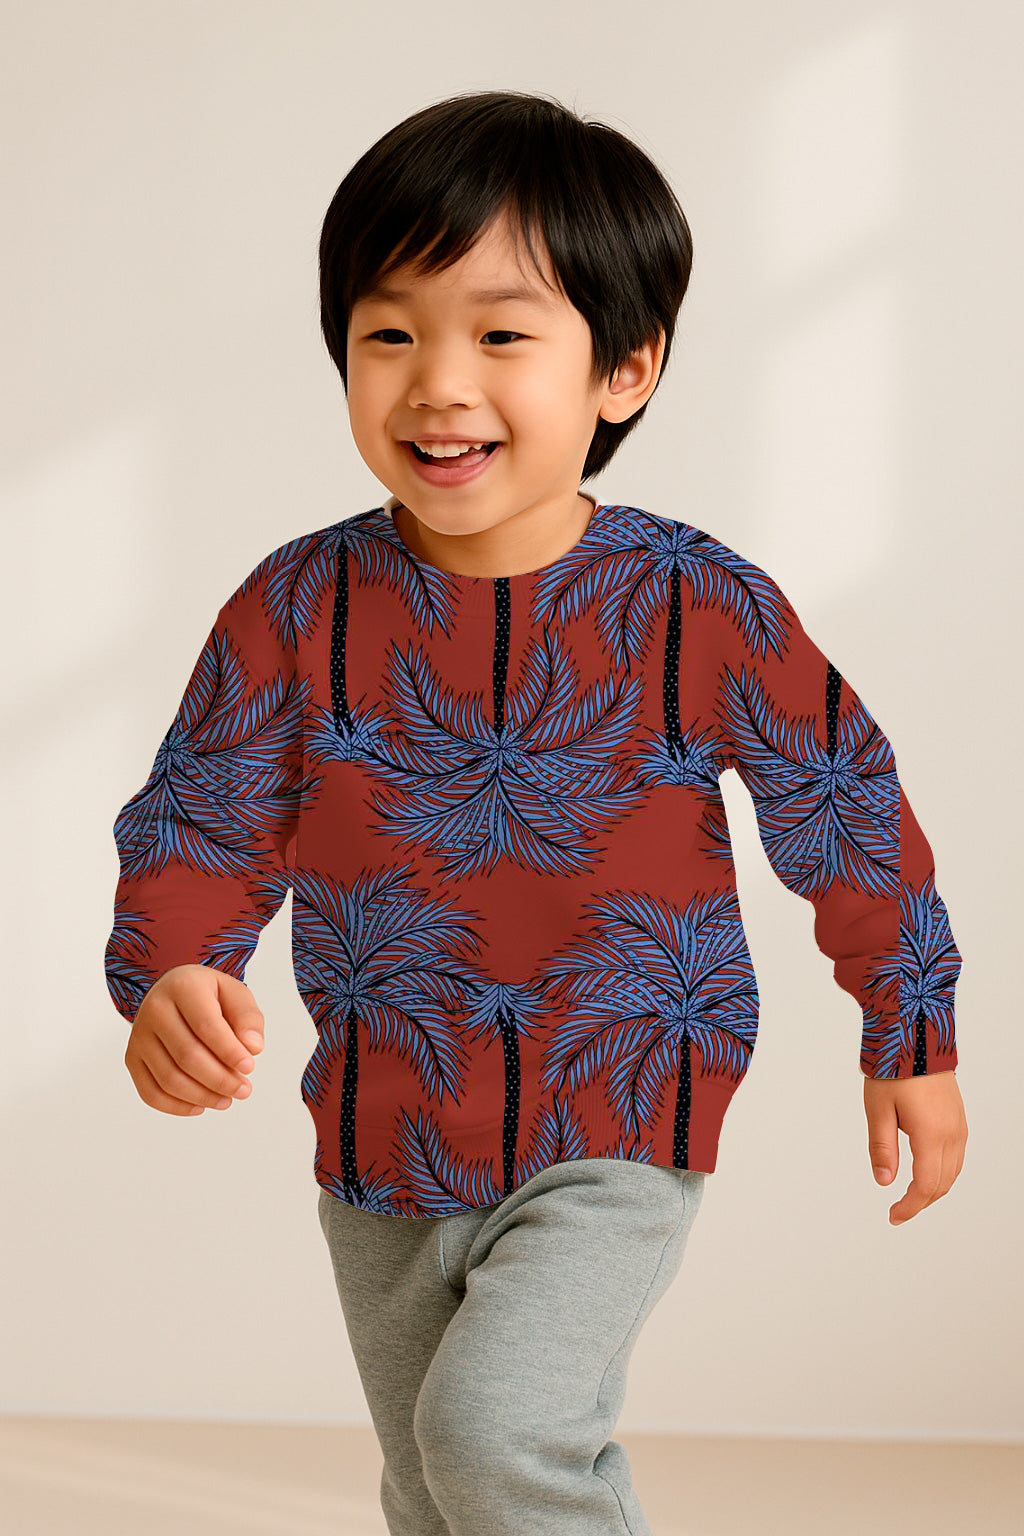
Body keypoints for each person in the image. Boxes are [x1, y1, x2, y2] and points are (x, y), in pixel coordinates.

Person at [103, 89, 968, 1536]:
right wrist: (173, 970)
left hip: (619, 1106)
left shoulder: (697, 604)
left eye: (502, 335)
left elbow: (844, 800)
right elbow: (203, 816)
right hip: (381, 1129)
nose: (438, 383)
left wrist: (912, 1025)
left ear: (624, 369)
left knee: (496, 1436)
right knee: (432, 1484)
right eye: (390, 335)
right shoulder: (297, 606)